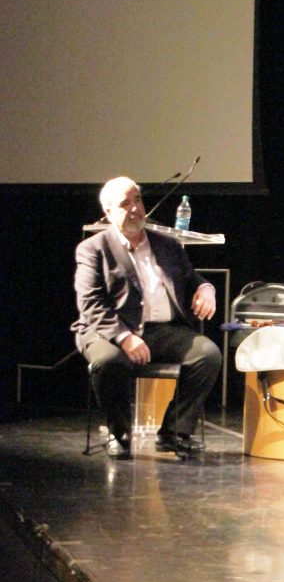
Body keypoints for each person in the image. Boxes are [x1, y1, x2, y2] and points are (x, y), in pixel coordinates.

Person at [72, 176, 222, 459]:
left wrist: (206, 288)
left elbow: (190, 278)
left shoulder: (166, 245)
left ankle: (174, 432)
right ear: (108, 212)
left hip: (161, 330)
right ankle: (119, 433)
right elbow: (90, 304)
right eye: (124, 204)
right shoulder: (93, 249)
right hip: (108, 330)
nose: (134, 209)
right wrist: (124, 337)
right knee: (108, 362)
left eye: (137, 200)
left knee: (208, 355)